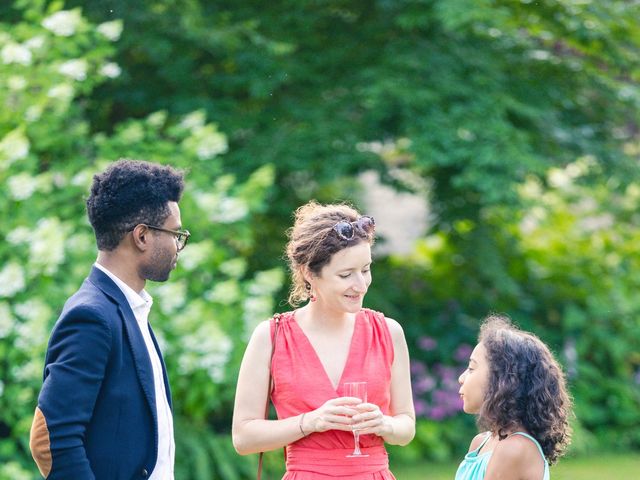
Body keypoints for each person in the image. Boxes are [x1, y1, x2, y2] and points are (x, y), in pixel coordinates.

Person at [29, 159, 189, 479]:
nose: (178, 246)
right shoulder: (92, 316)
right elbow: (49, 439)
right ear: (142, 236)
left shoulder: (130, 309)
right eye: (175, 234)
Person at [232, 201, 415, 479]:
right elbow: (243, 437)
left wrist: (384, 424)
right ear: (309, 273)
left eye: (365, 270)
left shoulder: (389, 332)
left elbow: (407, 426)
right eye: (345, 275)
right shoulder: (271, 337)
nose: (361, 284)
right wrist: (311, 421)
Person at [456, 314, 573, 480]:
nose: (461, 378)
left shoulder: (515, 449)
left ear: (502, 380)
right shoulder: (480, 443)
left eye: (471, 368)